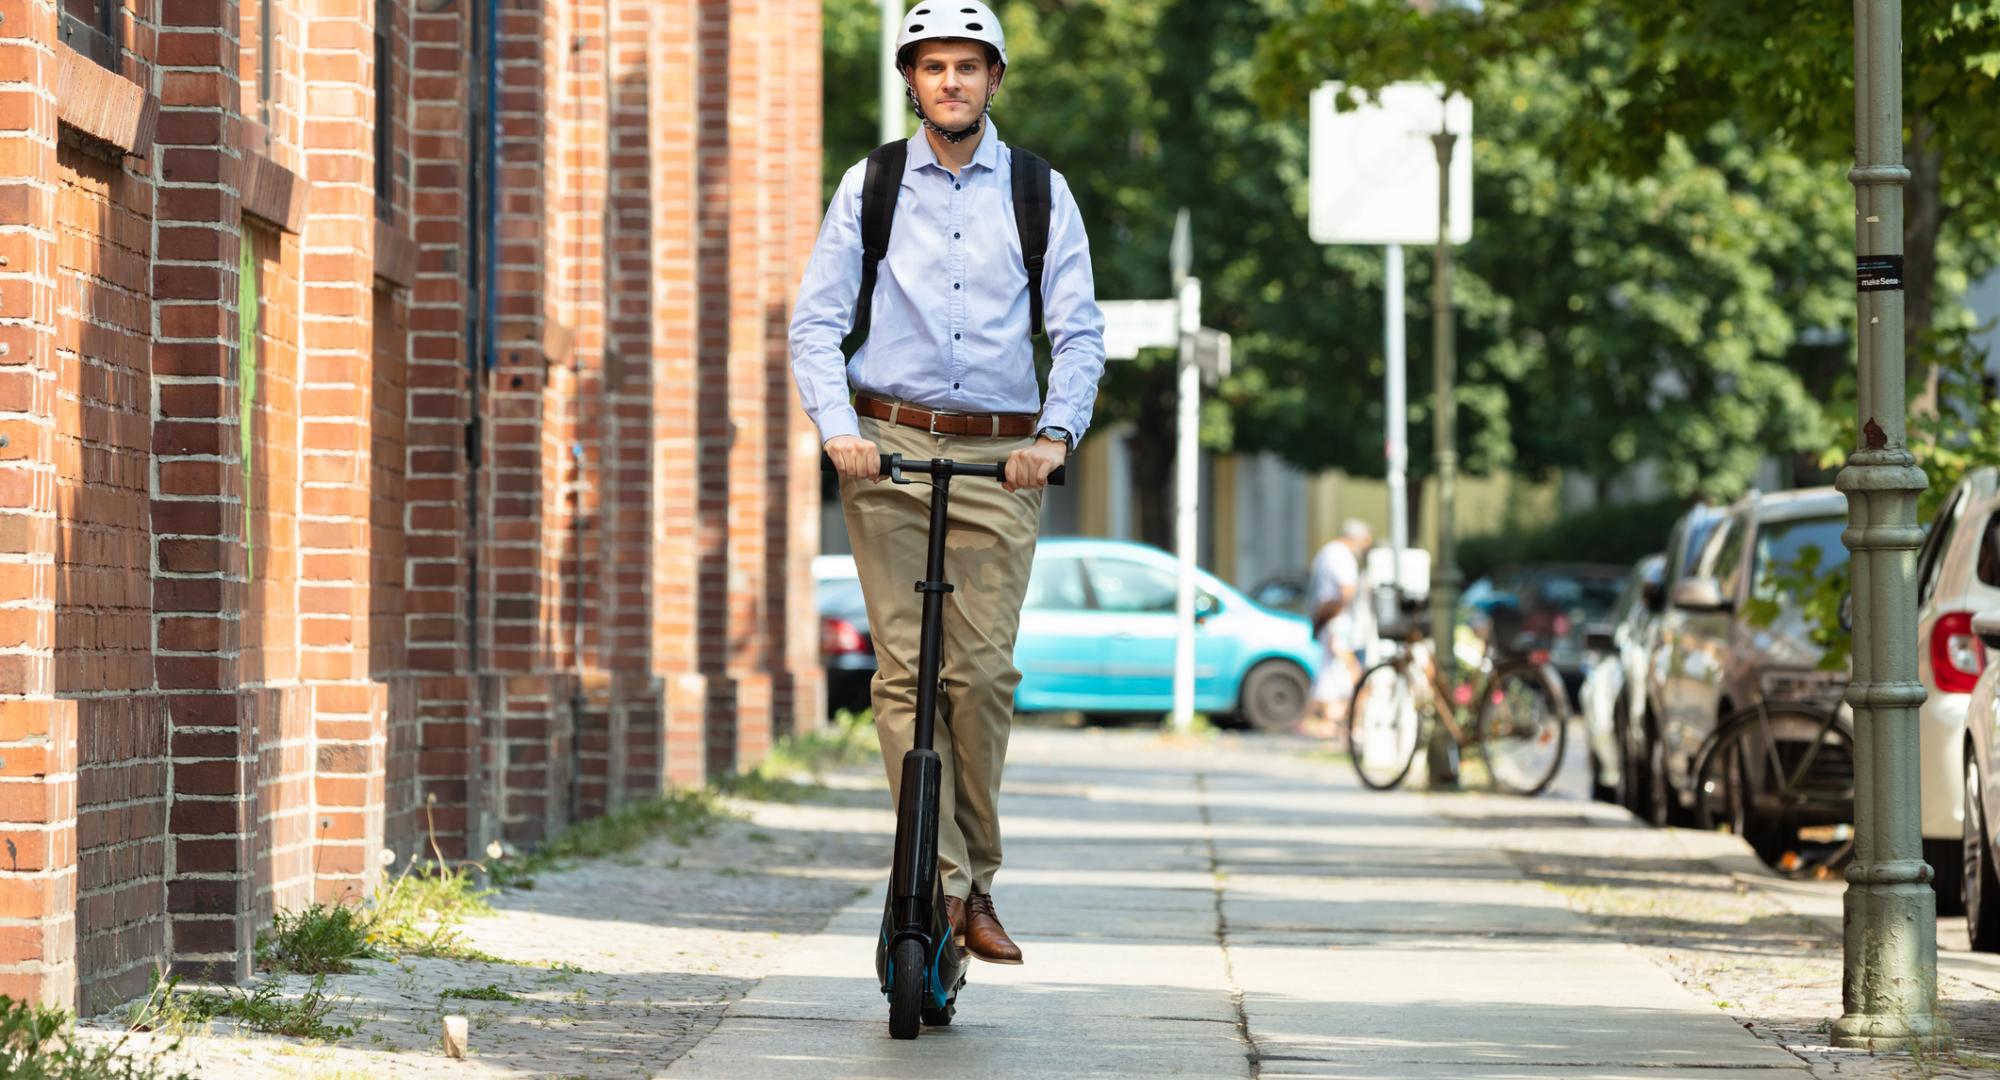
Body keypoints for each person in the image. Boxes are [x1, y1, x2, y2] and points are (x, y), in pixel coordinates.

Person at [789, 0, 1105, 967]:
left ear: (995, 80)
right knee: (901, 676)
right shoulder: (872, 183)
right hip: (886, 449)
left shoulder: (1040, 192)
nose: (953, 82)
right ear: (912, 81)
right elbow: (815, 324)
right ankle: (946, 888)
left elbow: (1079, 332)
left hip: (1000, 458)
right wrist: (840, 432)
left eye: (970, 67)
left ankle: (975, 878)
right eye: (935, 67)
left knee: (978, 677)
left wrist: (1052, 438)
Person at [1304, 519, 1375, 738]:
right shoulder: (1341, 556)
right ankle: (1349, 724)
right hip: (1339, 624)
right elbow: (1346, 591)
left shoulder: (1326, 553)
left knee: (1332, 673)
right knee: (1351, 673)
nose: (1365, 548)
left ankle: (1324, 721)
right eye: (1365, 542)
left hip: (1329, 622)